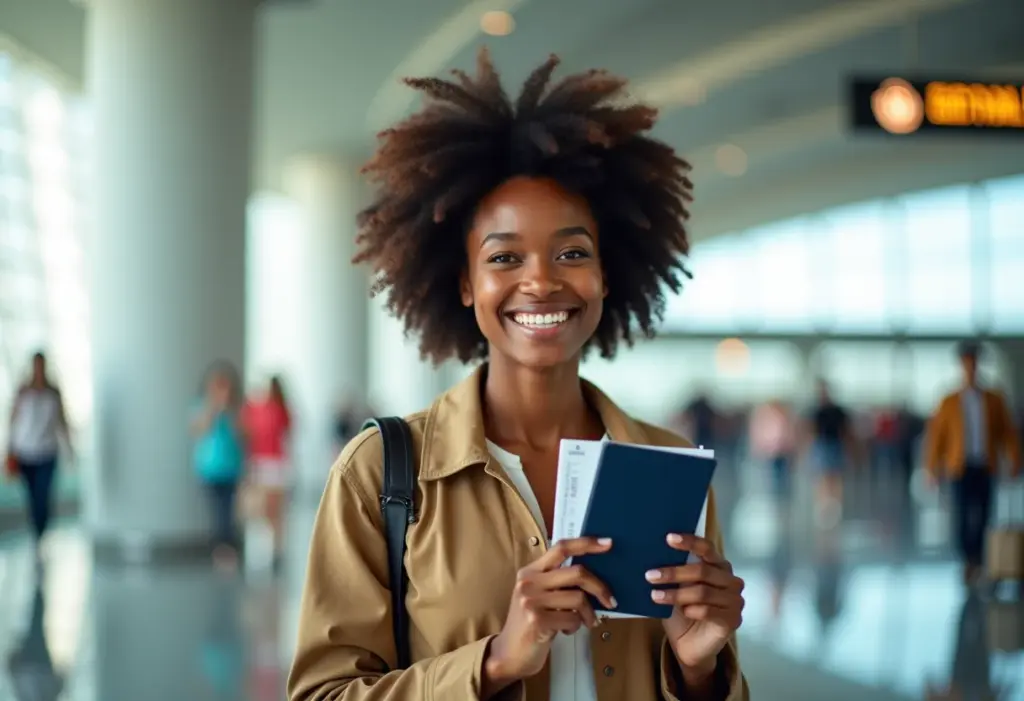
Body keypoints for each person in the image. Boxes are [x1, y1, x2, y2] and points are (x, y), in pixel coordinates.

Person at [289, 49, 748, 701]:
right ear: (466, 283)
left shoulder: (670, 466)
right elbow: (320, 693)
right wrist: (496, 660)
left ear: (607, 274)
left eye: (572, 252)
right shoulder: (380, 472)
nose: (540, 279)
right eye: (505, 256)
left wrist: (703, 669)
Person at [924, 341, 1021, 586]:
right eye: (967, 363)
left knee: (985, 511)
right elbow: (937, 436)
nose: (971, 368)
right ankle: (968, 558)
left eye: (974, 363)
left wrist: (1014, 459)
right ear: (961, 366)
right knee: (963, 513)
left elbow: (1007, 432)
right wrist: (932, 468)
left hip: (985, 464)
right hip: (959, 467)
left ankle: (980, 557)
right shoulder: (949, 401)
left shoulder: (993, 399)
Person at [6, 352, 73, 558]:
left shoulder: (53, 394)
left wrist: (69, 449)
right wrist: (9, 450)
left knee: (43, 497)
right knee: (33, 497)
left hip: (47, 453)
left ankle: (40, 535)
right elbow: (14, 423)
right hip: (25, 454)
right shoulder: (23, 393)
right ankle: (36, 535)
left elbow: (62, 423)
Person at [191, 360, 246, 571]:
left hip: (232, 468)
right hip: (209, 469)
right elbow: (198, 430)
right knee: (217, 511)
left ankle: (227, 548)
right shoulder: (201, 406)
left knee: (229, 510)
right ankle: (220, 548)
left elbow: (244, 435)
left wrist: (229, 413)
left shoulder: (236, 410)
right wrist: (213, 409)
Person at [241, 375, 293, 563]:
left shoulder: (281, 409)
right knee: (261, 508)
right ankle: (266, 544)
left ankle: (277, 548)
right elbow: (248, 433)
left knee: (276, 509)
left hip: (276, 462)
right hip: (260, 461)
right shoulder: (255, 409)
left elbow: (286, 433)